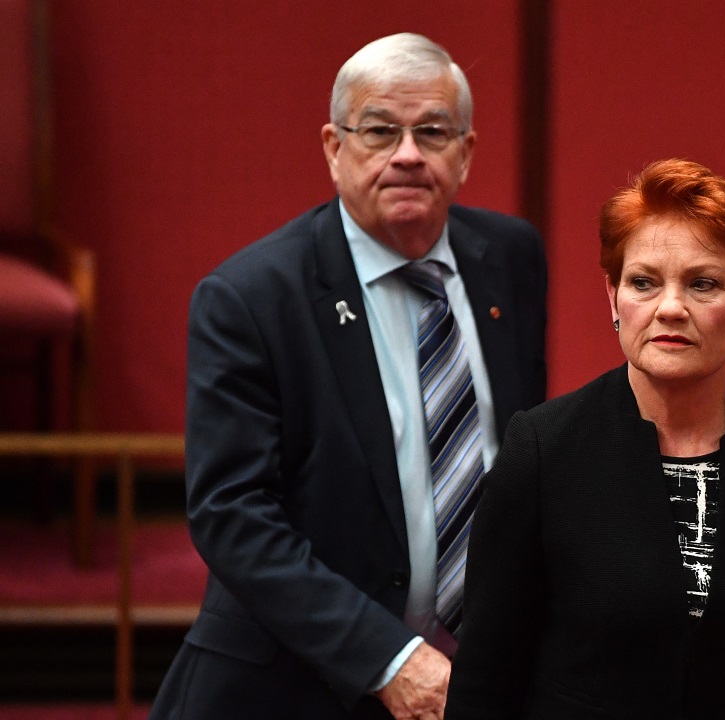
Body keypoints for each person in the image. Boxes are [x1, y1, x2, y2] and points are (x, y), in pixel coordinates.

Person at [148, 33, 547, 720]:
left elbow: (514, 462)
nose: (408, 154)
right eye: (380, 131)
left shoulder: (510, 257)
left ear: (466, 153)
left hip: (473, 684)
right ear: (334, 147)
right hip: (293, 688)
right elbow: (232, 515)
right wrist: (386, 657)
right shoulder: (250, 298)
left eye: (432, 131)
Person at [446, 158, 725, 719]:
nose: (670, 307)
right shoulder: (543, 450)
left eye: (703, 284)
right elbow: (485, 685)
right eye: (643, 283)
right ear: (612, 297)